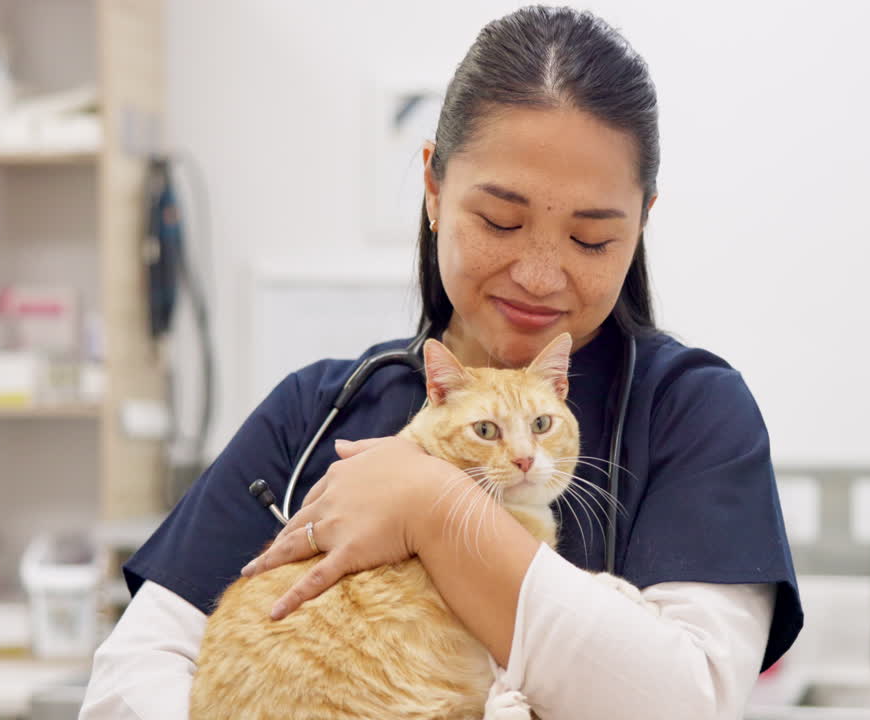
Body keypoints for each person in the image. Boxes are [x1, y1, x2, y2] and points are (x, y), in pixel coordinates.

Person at [80, 6, 802, 718]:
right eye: (500, 222)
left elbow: (686, 702)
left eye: (590, 240)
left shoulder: (693, 412)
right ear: (433, 185)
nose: (541, 275)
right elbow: (127, 685)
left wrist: (431, 507)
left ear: (641, 223)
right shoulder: (319, 410)